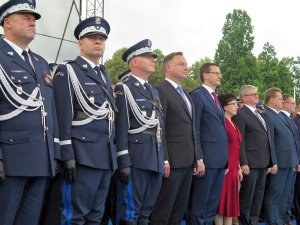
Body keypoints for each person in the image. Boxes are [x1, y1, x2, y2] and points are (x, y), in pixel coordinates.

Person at [51, 16, 118, 224]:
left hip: (105, 156)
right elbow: (63, 117)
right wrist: (66, 155)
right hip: (82, 155)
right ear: (80, 44)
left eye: (101, 38)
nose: (98, 41)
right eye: (92, 37)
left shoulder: (104, 75)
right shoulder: (68, 71)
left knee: (96, 215)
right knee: (75, 215)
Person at [0, 0, 60, 224]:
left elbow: (49, 110)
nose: (32, 21)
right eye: (25, 17)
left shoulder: (40, 62)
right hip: (10, 159)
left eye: (33, 18)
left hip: (40, 160)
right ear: (7, 22)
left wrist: (54, 154)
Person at [114, 39, 164, 225]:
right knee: (130, 213)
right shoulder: (124, 89)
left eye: (153, 57)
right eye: (147, 56)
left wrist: (163, 158)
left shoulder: (153, 91)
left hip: (155, 157)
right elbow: (120, 127)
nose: (153, 59)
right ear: (134, 62)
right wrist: (123, 160)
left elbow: (159, 126)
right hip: (136, 157)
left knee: (145, 214)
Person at [150, 52, 203, 225]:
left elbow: (192, 129)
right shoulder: (161, 90)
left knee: (178, 211)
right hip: (171, 162)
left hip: (187, 162)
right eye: (181, 64)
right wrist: (164, 158)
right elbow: (160, 127)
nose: (186, 67)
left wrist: (197, 157)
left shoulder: (186, 95)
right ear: (168, 67)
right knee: (163, 210)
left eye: (186, 63)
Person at [187, 63, 228, 225]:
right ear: (205, 75)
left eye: (220, 73)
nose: (220, 76)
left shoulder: (215, 97)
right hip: (206, 159)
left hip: (219, 160)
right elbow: (195, 129)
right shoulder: (197, 95)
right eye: (216, 73)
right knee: (200, 205)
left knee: (211, 205)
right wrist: (199, 157)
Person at [232, 85, 275, 225]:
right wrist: (243, 162)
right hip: (250, 163)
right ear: (244, 98)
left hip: (263, 163)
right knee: (247, 197)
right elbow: (241, 140)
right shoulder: (240, 113)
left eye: (257, 94)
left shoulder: (259, 113)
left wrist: (270, 161)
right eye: (253, 94)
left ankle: (254, 221)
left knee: (258, 196)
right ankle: (245, 222)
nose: (257, 96)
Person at [261, 88, 298, 225]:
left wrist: (295, 159)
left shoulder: (279, 115)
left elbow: (291, 139)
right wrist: (273, 162)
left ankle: (281, 220)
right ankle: (273, 221)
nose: (282, 100)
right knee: (274, 195)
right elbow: (269, 142)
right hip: (279, 163)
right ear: (271, 100)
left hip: (289, 161)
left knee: (285, 195)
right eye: (280, 98)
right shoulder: (266, 115)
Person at [215, 93, 243, 225]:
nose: (237, 106)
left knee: (230, 207)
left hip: (233, 169)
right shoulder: (222, 123)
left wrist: (238, 168)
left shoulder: (233, 123)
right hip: (225, 169)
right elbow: (222, 147)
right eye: (233, 104)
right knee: (221, 206)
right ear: (225, 107)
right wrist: (226, 165)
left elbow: (236, 149)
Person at [281, 94, 300, 225]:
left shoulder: (291, 119)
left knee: (290, 193)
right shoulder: (293, 119)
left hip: (294, 161)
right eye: (292, 103)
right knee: (288, 193)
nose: (294, 105)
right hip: (289, 162)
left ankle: (286, 217)